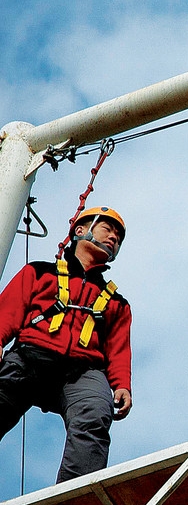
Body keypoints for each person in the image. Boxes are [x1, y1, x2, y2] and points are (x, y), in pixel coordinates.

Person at [0, 206, 132, 483]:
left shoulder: (117, 303)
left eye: (118, 237)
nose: (113, 238)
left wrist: (121, 385)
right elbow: (8, 311)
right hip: (30, 357)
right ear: (81, 230)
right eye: (108, 229)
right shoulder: (39, 273)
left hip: (82, 371)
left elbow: (118, 349)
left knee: (96, 415)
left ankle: (71, 500)